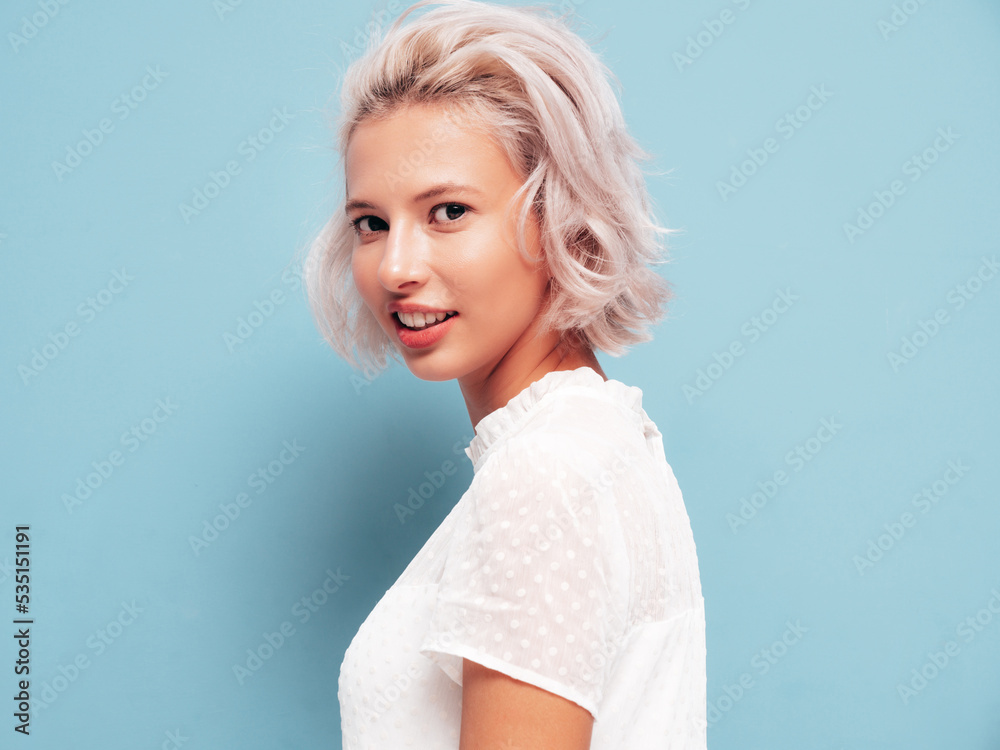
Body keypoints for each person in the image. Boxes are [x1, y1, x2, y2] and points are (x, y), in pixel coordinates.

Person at [303, 1, 706, 747]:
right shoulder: (600, 441)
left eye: (448, 211)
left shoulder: (546, 475)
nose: (395, 268)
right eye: (371, 223)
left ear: (562, 216)